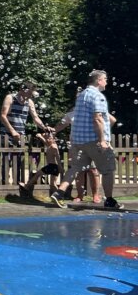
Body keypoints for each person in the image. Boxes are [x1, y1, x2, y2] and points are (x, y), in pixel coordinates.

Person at [50, 69, 124, 211]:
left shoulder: (81, 95)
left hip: (78, 140)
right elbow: (97, 118)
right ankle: (109, 200)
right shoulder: (97, 96)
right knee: (108, 170)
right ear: (98, 80)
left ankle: (59, 193)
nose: (106, 82)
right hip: (94, 140)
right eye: (105, 79)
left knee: (75, 168)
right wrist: (103, 140)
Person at [0, 82, 48, 185]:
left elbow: (35, 118)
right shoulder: (10, 98)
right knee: (6, 161)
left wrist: (44, 127)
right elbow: (3, 116)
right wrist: (12, 131)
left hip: (21, 135)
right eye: (30, 92)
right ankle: (4, 184)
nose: (32, 94)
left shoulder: (29, 102)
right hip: (7, 134)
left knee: (17, 161)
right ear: (23, 90)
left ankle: (16, 185)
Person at [19, 128, 62, 199]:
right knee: (52, 183)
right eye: (47, 138)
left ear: (54, 140)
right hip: (52, 166)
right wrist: (41, 136)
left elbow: (58, 158)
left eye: (50, 138)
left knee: (38, 175)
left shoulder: (54, 147)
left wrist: (60, 167)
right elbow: (45, 141)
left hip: (53, 166)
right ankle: (58, 196)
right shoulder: (49, 145)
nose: (48, 140)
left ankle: (27, 186)